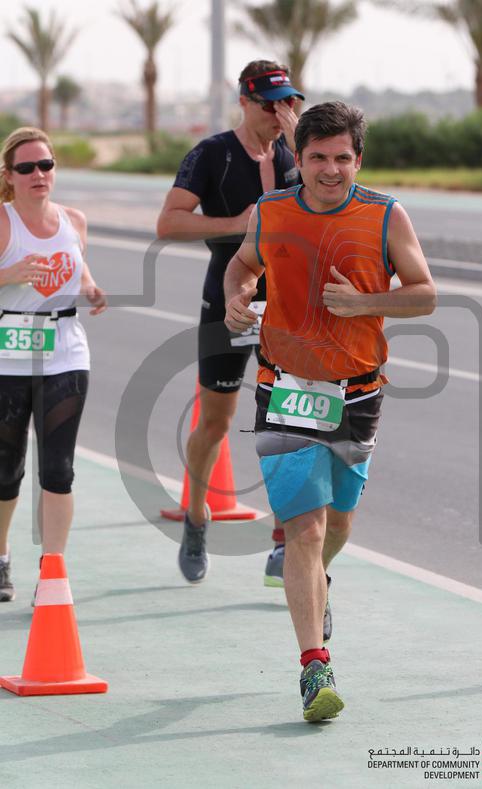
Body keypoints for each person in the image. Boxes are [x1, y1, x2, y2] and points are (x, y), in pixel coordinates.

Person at [224, 101, 437, 721]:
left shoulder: (385, 215)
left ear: (358, 160)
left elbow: (424, 294)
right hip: (285, 386)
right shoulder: (271, 212)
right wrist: (238, 296)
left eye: (342, 157)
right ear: (300, 157)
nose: (330, 169)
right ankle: (315, 666)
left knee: (338, 525)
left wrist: (365, 302)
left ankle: (317, 583)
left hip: (358, 392)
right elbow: (242, 265)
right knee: (306, 529)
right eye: (317, 156)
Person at [157, 60, 303, 585]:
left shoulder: (299, 154)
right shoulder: (212, 153)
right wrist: (236, 224)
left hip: (287, 305)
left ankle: (284, 541)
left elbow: (334, 200)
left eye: (289, 102)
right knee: (216, 421)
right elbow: (169, 222)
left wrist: (300, 145)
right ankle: (197, 517)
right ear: (244, 101)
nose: (280, 113)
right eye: (270, 104)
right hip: (229, 298)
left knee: (287, 421)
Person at [0, 127, 107, 602]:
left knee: (58, 470)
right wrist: (8, 273)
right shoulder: (3, 221)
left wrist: (91, 289)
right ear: (9, 175)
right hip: (7, 356)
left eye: (46, 165)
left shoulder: (74, 220)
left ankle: (52, 571)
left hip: (65, 354)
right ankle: (1, 557)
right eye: (26, 167)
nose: (38, 174)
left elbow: (78, 268)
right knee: (5, 472)